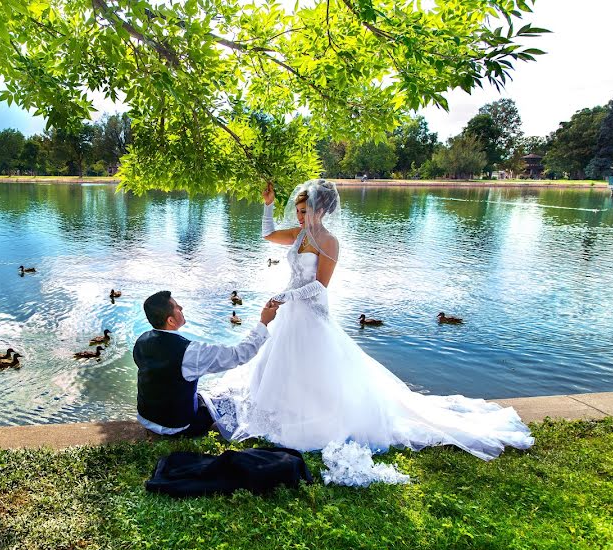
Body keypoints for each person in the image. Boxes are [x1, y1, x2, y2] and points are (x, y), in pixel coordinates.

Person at [203, 179, 534, 486]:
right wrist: (268, 204)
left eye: (305, 212)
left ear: (320, 210)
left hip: (310, 312)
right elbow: (267, 235)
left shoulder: (329, 241)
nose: (301, 217)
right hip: (290, 311)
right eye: (299, 212)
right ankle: (277, 413)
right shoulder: (300, 234)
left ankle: (314, 419)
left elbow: (320, 286)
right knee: (279, 364)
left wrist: (287, 295)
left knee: (313, 369)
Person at [134, 291, 280, 437]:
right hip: (178, 426)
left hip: (146, 417)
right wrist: (263, 322)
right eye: (177, 307)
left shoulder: (141, 341)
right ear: (171, 321)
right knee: (231, 403)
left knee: (207, 396)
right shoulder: (190, 352)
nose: (181, 307)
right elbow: (239, 354)